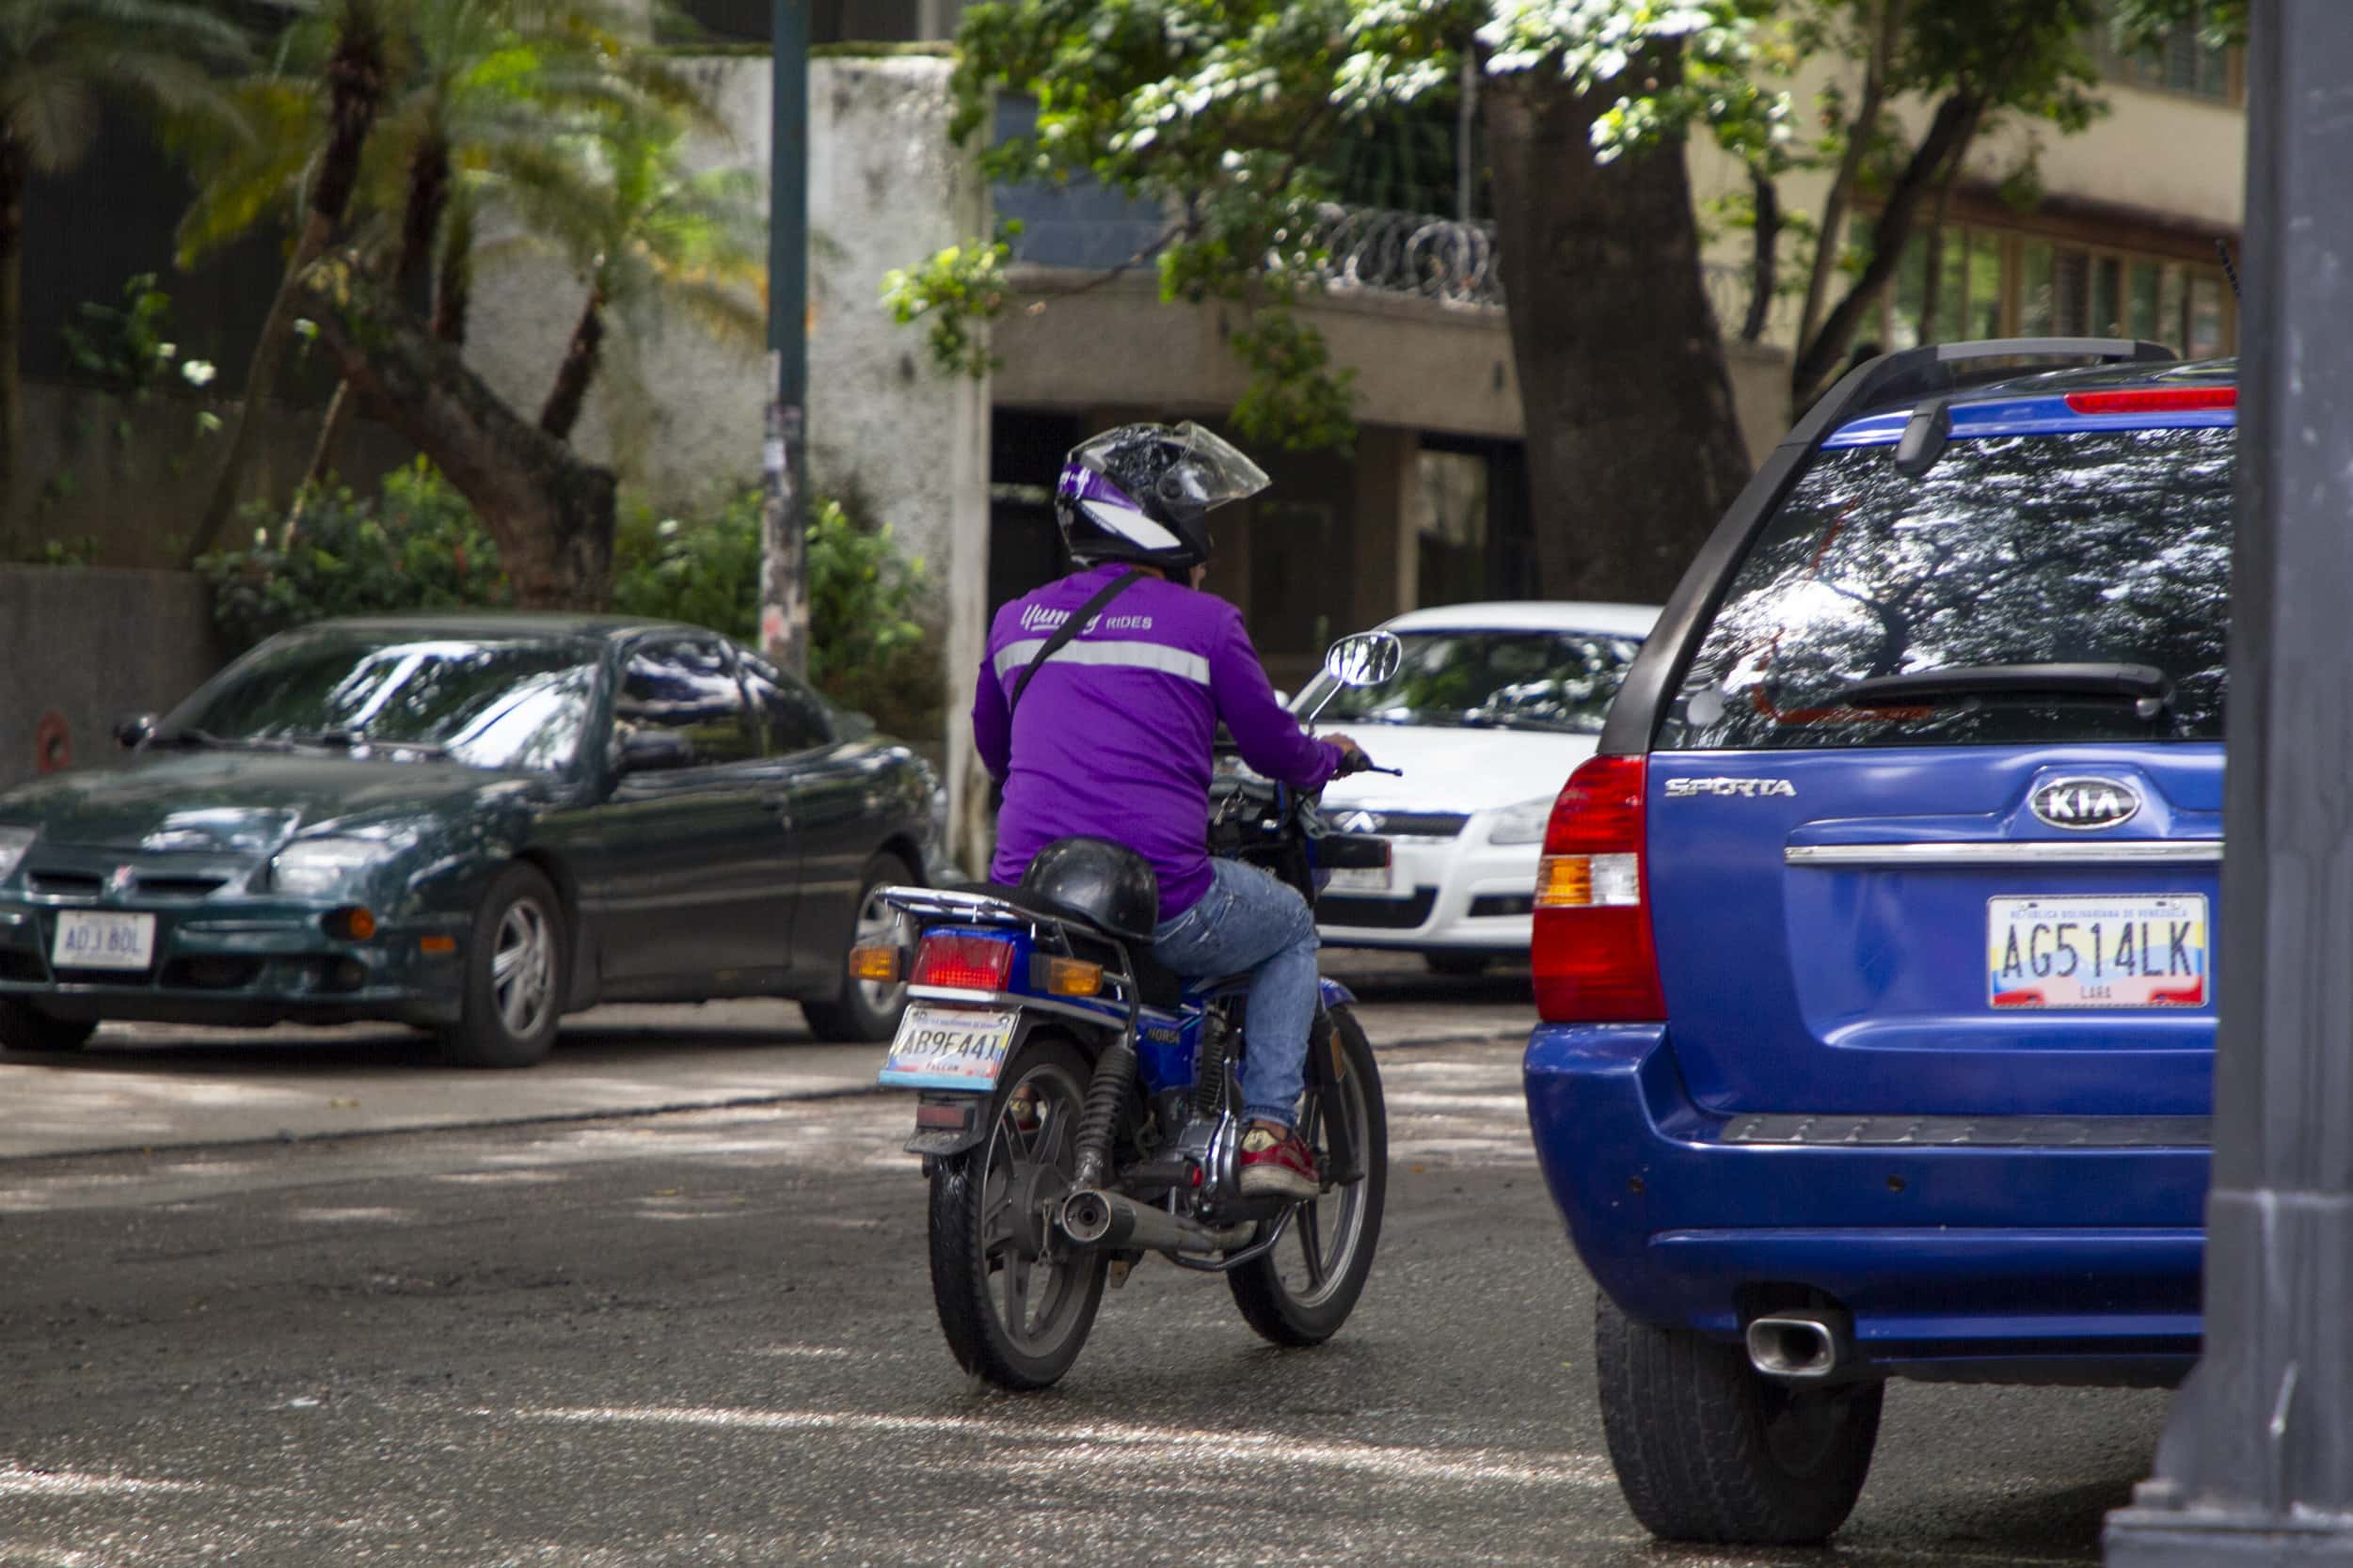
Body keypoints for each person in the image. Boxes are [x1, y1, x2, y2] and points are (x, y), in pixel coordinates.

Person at [972, 422, 1365, 1201]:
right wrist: (1331, 757)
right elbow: (1274, 751)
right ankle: (1267, 1129)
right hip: (1162, 895)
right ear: (1158, 521)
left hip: (1029, 894)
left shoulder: (1016, 621)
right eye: (1194, 511)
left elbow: (997, 752)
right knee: (1287, 923)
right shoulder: (1206, 624)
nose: (1205, 535)